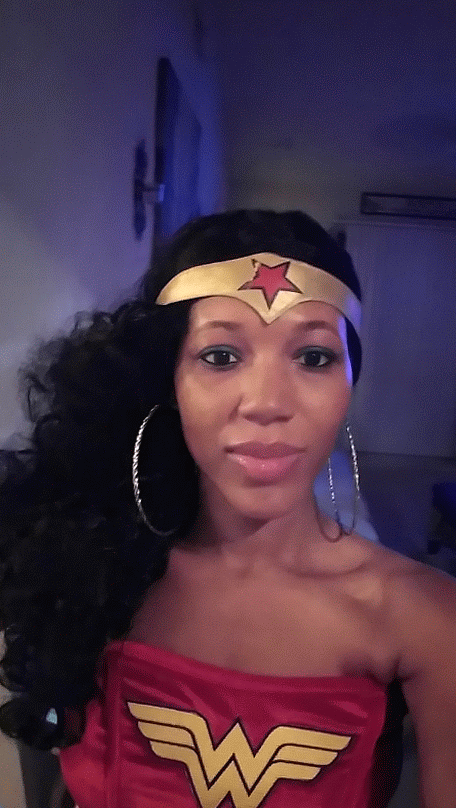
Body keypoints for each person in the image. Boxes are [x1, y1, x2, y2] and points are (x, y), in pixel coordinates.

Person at [0, 209, 455, 808]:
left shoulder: (427, 620)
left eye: (313, 357)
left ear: (350, 381)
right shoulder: (88, 565)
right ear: (169, 381)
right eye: (220, 356)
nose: (266, 403)